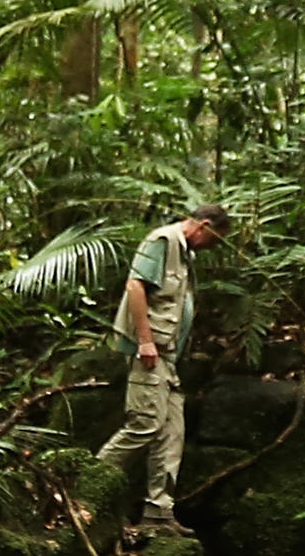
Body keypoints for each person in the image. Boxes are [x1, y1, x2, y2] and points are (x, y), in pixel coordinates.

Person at [94, 202, 224, 538]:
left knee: (171, 431)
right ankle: (88, 484)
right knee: (145, 423)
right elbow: (135, 287)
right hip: (149, 352)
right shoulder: (163, 241)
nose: (213, 247)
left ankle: (158, 512)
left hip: (168, 357)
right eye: (215, 239)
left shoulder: (185, 254)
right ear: (205, 224)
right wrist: (145, 341)